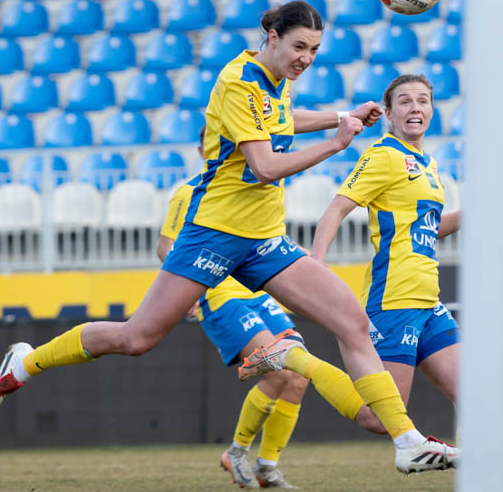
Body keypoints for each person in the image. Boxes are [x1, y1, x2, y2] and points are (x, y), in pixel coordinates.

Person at [0, 1, 459, 475]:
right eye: (298, 46)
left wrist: (339, 115)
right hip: (214, 234)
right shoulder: (237, 82)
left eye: (313, 50)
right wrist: (335, 144)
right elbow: (265, 166)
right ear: (272, 37)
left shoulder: (275, 84)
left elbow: (283, 120)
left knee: (351, 322)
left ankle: (407, 442)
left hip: (264, 239)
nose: (306, 59)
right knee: (136, 338)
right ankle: (24, 364)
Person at [157, 126, 383, 489]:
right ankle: (236, 451)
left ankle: (266, 465)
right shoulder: (188, 193)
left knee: (296, 380)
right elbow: (165, 247)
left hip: (258, 291)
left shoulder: (253, 188)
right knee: (279, 370)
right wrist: (190, 290)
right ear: (204, 150)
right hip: (221, 295)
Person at [310, 74, 462, 408]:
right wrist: (316, 265)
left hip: (428, 299)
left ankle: (477, 460)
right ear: (390, 115)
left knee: (470, 393)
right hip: (394, 299)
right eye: (405, 101)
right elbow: (335, 210)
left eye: (423, 100)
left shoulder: (429, 165)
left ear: (433, 110)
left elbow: (426, 228)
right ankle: (297, 362)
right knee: (378, 416)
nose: (415, 107)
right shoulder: (383, 156)